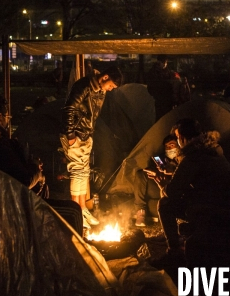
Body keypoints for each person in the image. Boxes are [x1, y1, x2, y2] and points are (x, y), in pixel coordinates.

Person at [152, 118, 230, 269]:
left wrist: (163, 184)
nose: (177, 142)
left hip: (213, 207)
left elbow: (172, 192)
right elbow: (204, 180)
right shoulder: (213, 149)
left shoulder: (193, 157)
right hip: (229, 200)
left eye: (177, 138)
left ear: (182, 138)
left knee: (165, 204)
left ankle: (174, 252)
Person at [60, 66, 123, 229]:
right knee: (77, 171)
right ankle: (76, 211)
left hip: (86, 134)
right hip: (76, 134)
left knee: (84, 171)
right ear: (104, 77)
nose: (110, 89)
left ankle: (81, 209)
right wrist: (70, 134)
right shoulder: (84, 85)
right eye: (110, 86)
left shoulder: (100, 91)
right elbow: (69, 108)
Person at [134, 135, 180, 227]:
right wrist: (155, 171)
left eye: (171, 145)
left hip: (172, 187)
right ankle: (141, 212)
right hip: (159, 184)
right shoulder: (161, 158)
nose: (169, 148)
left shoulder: (182, 159)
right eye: (167, 147)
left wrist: (168, 172)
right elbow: (153, 172)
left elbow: (182, 176)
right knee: (140, 174)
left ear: (178, 145)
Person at [146, 54, 174, 120]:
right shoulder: (154, 72)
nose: (165, 64)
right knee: (160, 116)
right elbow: (151, 86)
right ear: (159, 62)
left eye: (166, 62)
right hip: (159, 99)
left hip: (167, 99)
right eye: (164, 62)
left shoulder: (167, 71)